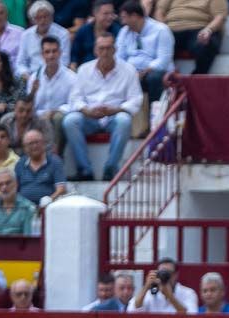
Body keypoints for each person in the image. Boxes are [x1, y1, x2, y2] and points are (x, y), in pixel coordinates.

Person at [62, 34, 140, 182]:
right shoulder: (84, 69)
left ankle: (111, 168)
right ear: (95, 51)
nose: (105, 52)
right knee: (70, 121)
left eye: (108, 48)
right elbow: (74, 98)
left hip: (114, 116)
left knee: (124, 120)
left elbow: (135, 100)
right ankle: (85, 169)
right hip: (89, 116)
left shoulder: (128, 70)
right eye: (101, 48)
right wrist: (87, 110)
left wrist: (115, 109)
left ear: (115, 49)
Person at [116, 0, 173, 103]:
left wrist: (144, 72)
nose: (122, 22)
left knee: (154, 78)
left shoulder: (161, 30)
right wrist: (128, 72)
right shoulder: (124, 31)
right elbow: (119, 57)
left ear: (134, 16)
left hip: (154, 72)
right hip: (132, 72)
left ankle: (155, 115)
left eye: (124, 18)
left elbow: (163, 60)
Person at [153, 0, 225, 76]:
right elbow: (159, 11)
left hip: (200, 28)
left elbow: (220, 16)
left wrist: (208, 30)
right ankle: (165, 75)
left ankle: (197, 76)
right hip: (172, 28)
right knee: (155, 43)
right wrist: (163, 28)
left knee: (206, 43)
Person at [28, 35, 74, 151]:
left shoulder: (71, 77)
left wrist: (54, 112)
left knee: (58, 118)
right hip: (38, 118)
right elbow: (29, 105)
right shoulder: (34, 77)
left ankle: (56, 155)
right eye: (47, 52)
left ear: (60, 53)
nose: (51, 55)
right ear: (42, 55)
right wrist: (33, 92)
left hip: (58, 117)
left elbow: (74, 104)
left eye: (54, 51)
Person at [14, 1, 71, 78]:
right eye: (39, 18)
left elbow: (64, 61)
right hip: (31, 76)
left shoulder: (63, 34)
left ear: (51, 17)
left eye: (45, 16)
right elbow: (20, 63)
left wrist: (49, 75)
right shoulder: (26, 35)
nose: (43, 20)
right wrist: (27, 75)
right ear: (32, 20)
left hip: (56, 75)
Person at [14, 128, 64, 204]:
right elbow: (14, 189)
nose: (35, 146)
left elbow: (61, 189)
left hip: (48, 207)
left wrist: (49, 200)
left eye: (37, 142)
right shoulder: (20, 164)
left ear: (44, 143)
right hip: (25, 209)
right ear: (25, 148)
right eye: (30, 143)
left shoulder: (55, 162)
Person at [129, 257, 196, 313]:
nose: (165, 276)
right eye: (162, 272)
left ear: (176, 275)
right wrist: (146, 286)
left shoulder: (188, 293)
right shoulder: (151, 292)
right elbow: (133, 310)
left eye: (169, 273)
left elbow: (191, 316)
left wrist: (170, 296)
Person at [0, 168, 35, 234]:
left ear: (16, 184)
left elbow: (29, 240)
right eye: (0, 184)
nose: (4, 187)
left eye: (8, 183)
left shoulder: (28, 208)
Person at [70, 0, 119, 68]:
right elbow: (75, 55)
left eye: (112, 13)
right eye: (106, 14)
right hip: (85, 71)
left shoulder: (118, 31)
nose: (110, 17)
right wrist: (73, 68)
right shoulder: (83, 31)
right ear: (95, 13)